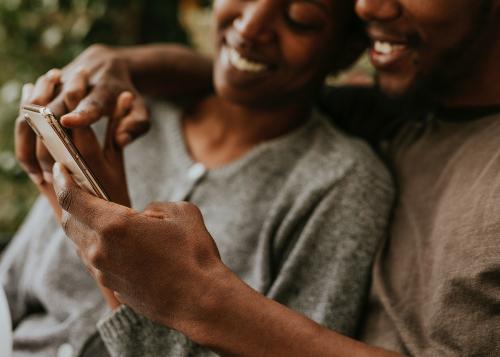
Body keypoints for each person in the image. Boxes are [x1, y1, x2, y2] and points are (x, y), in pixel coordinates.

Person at [10, 0, 500, 355]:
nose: (370, 4)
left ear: (343, 50)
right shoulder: (405, 110)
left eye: (302, 18)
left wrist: (181, 290)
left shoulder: (344, 176)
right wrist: (119, 61)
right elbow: (254, 80)